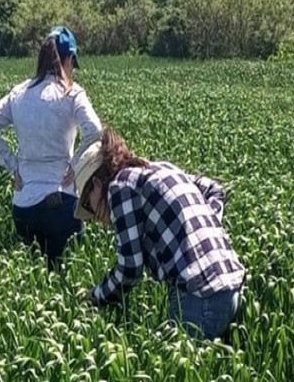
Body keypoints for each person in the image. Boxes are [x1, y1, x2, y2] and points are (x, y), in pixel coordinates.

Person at [73, 127, 246, 339]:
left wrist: (95, 297)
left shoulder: (118, 187)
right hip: (233, 287)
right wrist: (204, 224)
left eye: (88, 206)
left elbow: (130, 269)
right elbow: (214, 188)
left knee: (173, 369)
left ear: (97, 185)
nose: (94, 218)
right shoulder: (160, 168)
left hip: (199, 297)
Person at [0, 26, 102, 270]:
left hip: (24, 207)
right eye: (72, 64)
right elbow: (95, 131)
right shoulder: (71, 93)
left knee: (32, 280)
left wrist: (14, 165)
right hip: (61, 205)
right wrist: (74, 165)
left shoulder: (20, 93)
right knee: (68, 280)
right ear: (67, 59)